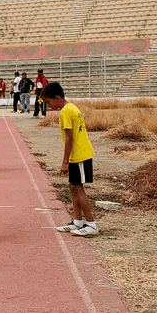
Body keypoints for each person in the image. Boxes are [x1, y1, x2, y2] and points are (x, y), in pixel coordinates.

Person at [40, 82, 99, 237]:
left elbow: (69, 137)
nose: (49, 105)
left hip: (79, 155)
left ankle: (91, 224)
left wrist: (65, 161)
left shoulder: (66, 112)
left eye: (48, 102)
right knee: (72, 187)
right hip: (77, 155)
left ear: (57, 98)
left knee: (78, 188)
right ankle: (77, 222)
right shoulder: (71, 107)